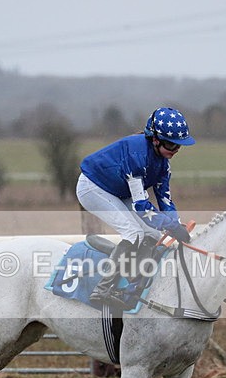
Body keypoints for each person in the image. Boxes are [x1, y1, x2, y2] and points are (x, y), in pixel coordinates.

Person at [76, 106, 194, 304]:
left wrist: (177, 224)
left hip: (118, 191)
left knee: (155, 236)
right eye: (171, 145)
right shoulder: (137, 156)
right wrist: (170, 226)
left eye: (178, 146)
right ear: (155, 139)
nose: (175, 150)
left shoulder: (163, 163)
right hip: (93, 187)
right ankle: (102, 289)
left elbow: (165, 201)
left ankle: (133, 287)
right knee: (133, 233)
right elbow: (141, 206)